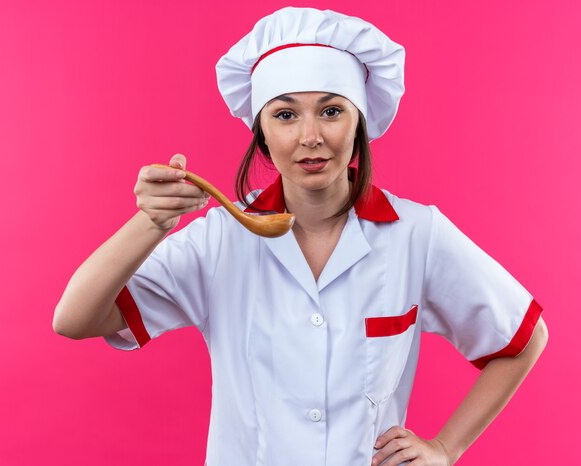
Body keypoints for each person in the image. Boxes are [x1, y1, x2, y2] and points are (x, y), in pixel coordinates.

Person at [53, 7, 548, 466]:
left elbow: (525, 338)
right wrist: (150, 223)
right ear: (262, 131)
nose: (310, 136)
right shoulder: (220, 240)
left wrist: (444, 448)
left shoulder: (417, 234)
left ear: (359, 124)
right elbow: (74, 319)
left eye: (331, 111)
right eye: (285, 115)